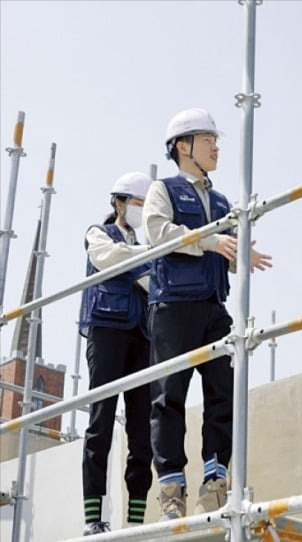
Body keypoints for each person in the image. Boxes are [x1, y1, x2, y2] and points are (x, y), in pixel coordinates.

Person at [144, 107, 272, 521]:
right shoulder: (162, 190)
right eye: (208, 139)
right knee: (169, 397)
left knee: (222, 390)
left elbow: (228, 248)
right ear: (184, 146)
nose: (217, 146)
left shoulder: (220, 201)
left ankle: (215, 481)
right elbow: (159, 234)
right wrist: (211, 241)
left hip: (212, 308)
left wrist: (241, 251)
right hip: (174, 307)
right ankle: (171, 488)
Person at [79, 172, 154, 534]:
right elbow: (109, 259)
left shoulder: (147, 245)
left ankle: (136, 522)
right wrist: (149, 254)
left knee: (142, 431)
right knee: (100, 424)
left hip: (141, 338)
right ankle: (94, 517)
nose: (141, 211)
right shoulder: (99, 233)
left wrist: (150, 254)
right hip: (106, 332)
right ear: (119, 203)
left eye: (145, 205)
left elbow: (152, 282)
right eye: (137, 203)